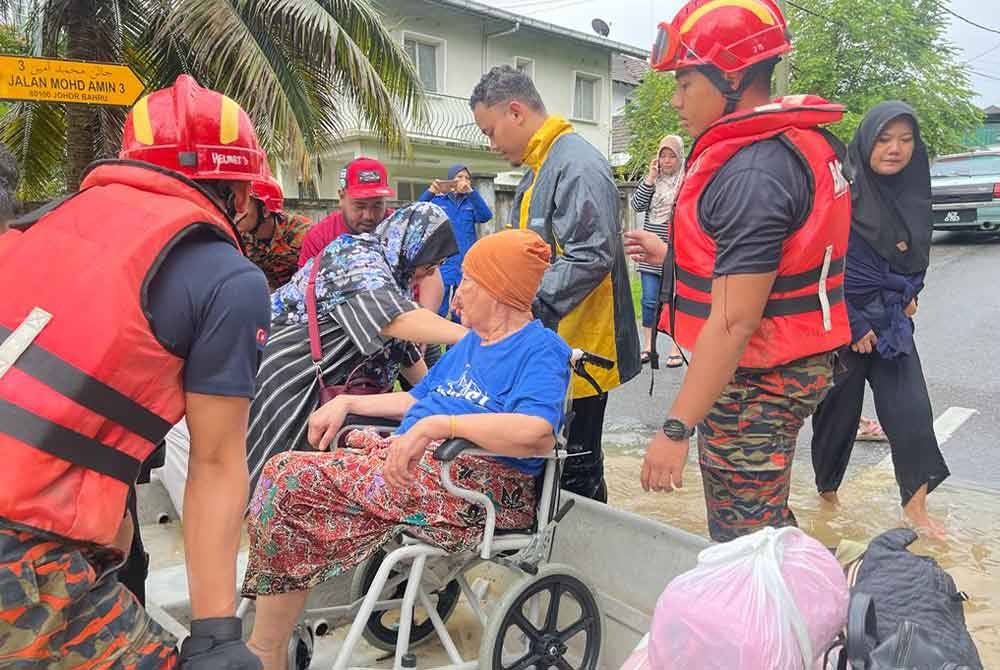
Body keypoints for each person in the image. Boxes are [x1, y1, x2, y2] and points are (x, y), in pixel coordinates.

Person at [0, 75, 268, 668]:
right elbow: (216, 460)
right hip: (19, 553)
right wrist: (217, 634)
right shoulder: (227, 279)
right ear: (243, 197)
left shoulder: (42, 225)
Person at [241, 230, 569, 669]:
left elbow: (537, 432)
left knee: (289, 478)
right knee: (286, 481)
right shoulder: (473, 343)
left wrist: (440, 426)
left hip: (474, 490)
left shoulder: (540, 349)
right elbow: (422, 398)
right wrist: (350, 402)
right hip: (423, 472)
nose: (458, 294)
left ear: (498, 291)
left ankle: (266, 649)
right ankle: (272, 638)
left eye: (469, 281)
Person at [624, 0, 851, 542]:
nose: (676, 101)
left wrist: (676, 428)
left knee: (744, 535)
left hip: (759, 377)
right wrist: (669, 260)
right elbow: (762, 264)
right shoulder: (777, 149)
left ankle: (798, 620)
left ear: (731, 77)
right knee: (761, 515)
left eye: (684, 83)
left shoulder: (753, 171)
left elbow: (734, 323)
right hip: (783, 362)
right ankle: (811, 594)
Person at [470, 65, 641, 502]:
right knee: (547, 461)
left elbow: (591, 256)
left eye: (491, 131)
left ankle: (586, 561)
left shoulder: (577, 164)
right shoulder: (537, 169)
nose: (491, 144)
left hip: (584, 347)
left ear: (515, 111)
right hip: (550, 344)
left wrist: (517, 303)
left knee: (576, 467)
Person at [245, 202, 468, 493]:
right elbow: (392, 320)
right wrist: (477, 339)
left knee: (311, 487)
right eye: (429, 264)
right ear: (411, 243)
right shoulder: (353, 257)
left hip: (327, 390)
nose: (427, 274)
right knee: (276, 480)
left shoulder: (393, 280)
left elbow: (406, 355)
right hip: (290, 381)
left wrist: (437, 398)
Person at [810, 101, 949, 534]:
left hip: (890, 325)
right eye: (885, 139)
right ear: (867, 142)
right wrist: (853, 323)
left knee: (912, 413)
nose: (896, 149)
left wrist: (909, 294)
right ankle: (827, 495)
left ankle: (916, 508)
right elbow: (820, 264)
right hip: (843, 327)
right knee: (836, 418)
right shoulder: (839, 195)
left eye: (906, 140)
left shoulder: (914, 194)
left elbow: (916, 259)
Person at [298, 156, 445, 357]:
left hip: (412, 318)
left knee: (433, 378)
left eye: (377, 205)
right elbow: (310, 298)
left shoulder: (402, 228)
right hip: (350, 332)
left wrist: (425, 322)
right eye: (359, 206)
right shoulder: (320, 238)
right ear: (341, 197)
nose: (368, 215)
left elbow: (431, 276)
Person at [631, 135, 686, 367]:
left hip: (675, 250)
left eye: (671, 156)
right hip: (649, 251)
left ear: (680, 157)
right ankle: (648, 346)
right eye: (662, 156)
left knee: (675, 300)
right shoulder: (652, 182)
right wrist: (651, 178)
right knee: (649, 300)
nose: (666, 161)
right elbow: (636, 204)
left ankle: (675, 346)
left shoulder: (687, 181)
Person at [417, 164, 493, 320]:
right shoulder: (439, 201)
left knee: (462, 309)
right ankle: (433, 342)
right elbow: (418, 210)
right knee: (438, 307)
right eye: (459, 177)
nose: (463, 181)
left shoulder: (471, 202)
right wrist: (431, 191)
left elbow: (486, 216)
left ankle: (457, 343)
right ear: (451, 181)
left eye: (467, 178)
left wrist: (471, 193)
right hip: (444, 262)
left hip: (466, 264)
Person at [239, 176, 313, 290]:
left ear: (265, 211)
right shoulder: (239, 238)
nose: (237, 210)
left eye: (245, 204)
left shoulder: (302, 233)